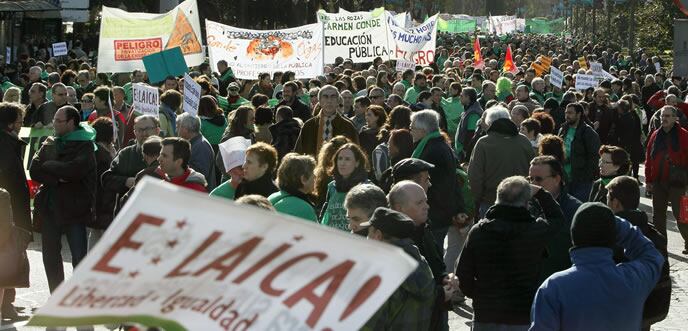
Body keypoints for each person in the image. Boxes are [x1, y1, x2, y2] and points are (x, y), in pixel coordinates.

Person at [530, 203, 664, 331]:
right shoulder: (633, 279)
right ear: (613, 237)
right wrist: (614, 224)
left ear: (573, 237)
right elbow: (652, 256)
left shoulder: (553, 288)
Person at [457, 176, 564, 330]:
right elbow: (557, 218)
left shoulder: (479, 232)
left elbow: (463, 274)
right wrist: (540, 193)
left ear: (497, 198)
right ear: (527, 203)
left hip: (486, 315)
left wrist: (481, 296)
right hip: (522, 315)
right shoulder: (535, 231)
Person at [30, 105, 96, 293]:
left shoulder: (85, 144)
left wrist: (50, 165)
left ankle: (79, 297)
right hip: (50, 208)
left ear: (71, 123)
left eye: (59, 121)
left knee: (79, 257)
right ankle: (56, 296)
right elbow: (35, 169)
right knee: (50, 256)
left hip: (75, 209)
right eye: (54, 120)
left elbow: (75, 170)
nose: (54, 124)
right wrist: (58, 178)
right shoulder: (50, 141)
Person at [605, 176, 671, 330]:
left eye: (607, 198)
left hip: (622, 312)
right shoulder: (654, 233)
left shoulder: (612, 235)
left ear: (615, 203)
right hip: (651, 308)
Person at [361, 208, 436, 331]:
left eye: (368, 233)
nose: (367, 238)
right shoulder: (420, 262)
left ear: (377, 235)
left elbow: (370, 325)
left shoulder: (382, 274)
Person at [410, 110, 464, 247]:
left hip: (435, 213)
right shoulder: (438, 144)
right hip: (440, 211)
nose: (411, 131)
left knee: (433, 255)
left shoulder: (432, 150)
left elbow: (437, 185)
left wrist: (428, 213)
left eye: (412, 128)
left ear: (423, 130)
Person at [469, 106, 535, 217]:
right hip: (521, 200)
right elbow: (533, 169)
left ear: (490, 123)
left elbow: (475, 176)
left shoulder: (484, 143)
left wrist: (477, 200)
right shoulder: (524, 141)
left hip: (491, 202)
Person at [0, 102, 31, 320]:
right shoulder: (6, 145)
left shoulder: (9, 143)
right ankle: (6, 305)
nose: (22, 125)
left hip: (9, 210)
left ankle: (7, 303)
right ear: (10, 124)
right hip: (7, 212)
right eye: (19, 121)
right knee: (9, 255)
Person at [528, 155, 582, 281]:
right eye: (530, 179)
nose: (533, 184)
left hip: (560, 284)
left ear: (557, 179)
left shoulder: (576, 210)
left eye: (539, 179)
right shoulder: (526, 206)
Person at [645, 106, 688, 253]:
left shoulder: (683, 135)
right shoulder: (656, 135)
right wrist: (649, 181)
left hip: (677, 182)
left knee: (681, 215)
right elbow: (648, 159)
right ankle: (660, 244)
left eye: (668, 116)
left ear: (675, 118)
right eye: (662, 116)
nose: (664, 119)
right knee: (658, 215)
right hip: (658, 181)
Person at [102, 115, 161, 211]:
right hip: (128, 212)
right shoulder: (126, 154)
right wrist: (126, 181)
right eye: (140, 130)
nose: (144, 133)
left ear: (157, 130)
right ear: (134, 132)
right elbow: (106, 179)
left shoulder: (168, 153)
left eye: (148, 129)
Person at [294, 85, 359, 157]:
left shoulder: (348, 126)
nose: (329, 100)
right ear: (320, 101)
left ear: (338, 101)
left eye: (333, 97)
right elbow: (297, 154)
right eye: (325, 97)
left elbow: (356, 154)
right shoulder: (309, 125)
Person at [320, 143, 370, 231]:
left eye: (347, 159)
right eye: (340, 159)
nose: (342, 163)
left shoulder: (365, 188)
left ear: (357, 163)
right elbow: (325, 213)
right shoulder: (332, 186)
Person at [558, 102, 601, 202]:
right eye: (566, 113)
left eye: (570, 113)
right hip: (564, 178)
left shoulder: (588, 133)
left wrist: (587, 176)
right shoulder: (563, 129)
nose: (567, 116)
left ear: (579, 114)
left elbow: (595, 156)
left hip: (581, 180)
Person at [211, 142, 278, 200]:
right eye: (245, 161)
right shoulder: (242, 186)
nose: (244, 166)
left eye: (249, 162)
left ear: (264, 166)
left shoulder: (273, 194)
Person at [88, 117, 117, 250]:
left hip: (97, 199)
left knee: (95, 232)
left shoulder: (95, 149)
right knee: (103, 235)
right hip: (104, 199)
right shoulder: (101, 153)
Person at [268, 153, 318, 222]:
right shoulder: (304, 209)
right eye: (313, 173)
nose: (315, 177)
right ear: (303, 179)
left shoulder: (271, 198)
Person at [176, 113, 216, 190]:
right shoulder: (195, 143)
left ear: (186, 129)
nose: (176, 130)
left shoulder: (201, 146)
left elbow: (200, 175)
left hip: (199, 194)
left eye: (178, 127)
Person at [455, 87, 483, 161]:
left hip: (466, 152)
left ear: (468, 97)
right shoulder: (468, 109)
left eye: (461, 96)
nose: (459, 97)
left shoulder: (473, 113)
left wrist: (465, 150)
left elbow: (471, 134)